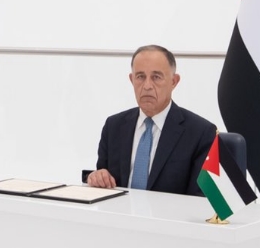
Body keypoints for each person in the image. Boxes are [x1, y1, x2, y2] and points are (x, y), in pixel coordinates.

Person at [86, 45, 214, 196]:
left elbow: (202, 200)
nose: (147, 86)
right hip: (120, 217)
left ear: (174, 81)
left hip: (169, 218)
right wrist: (97, 177)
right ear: (131, 79)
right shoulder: (114, 126)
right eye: (140, 76)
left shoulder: (200, 132)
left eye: (156, 77)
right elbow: (104, 180)